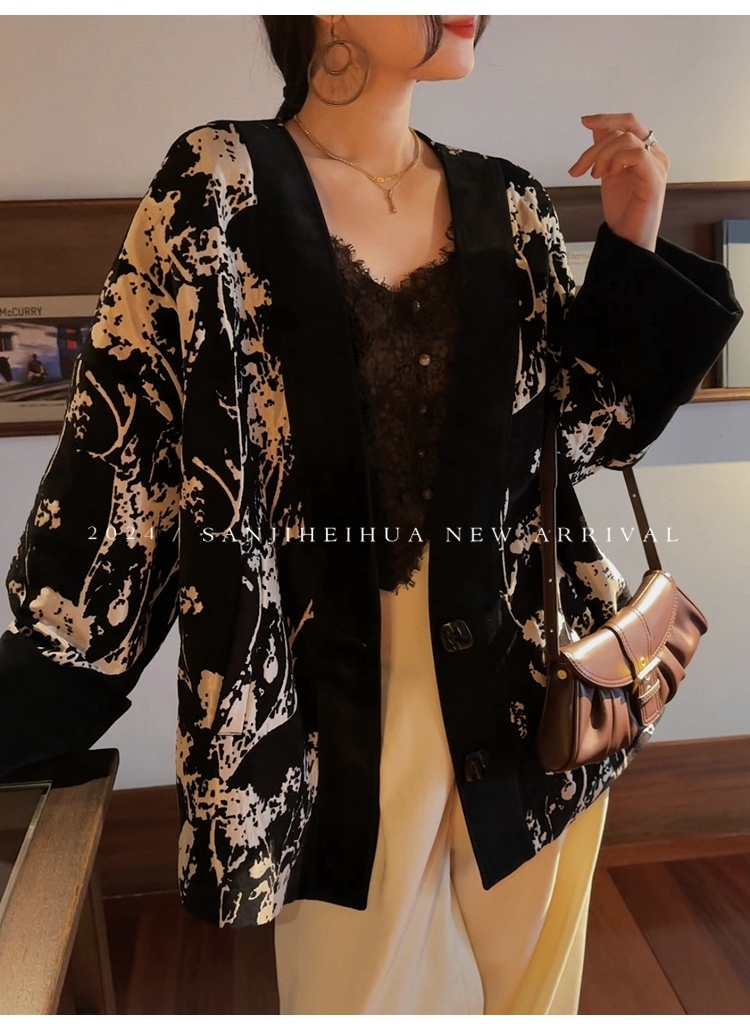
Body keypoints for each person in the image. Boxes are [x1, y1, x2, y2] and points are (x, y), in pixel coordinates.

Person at [0, 14, 741, 1016]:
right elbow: (126, 455)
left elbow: (580, 440)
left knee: (535, 1002)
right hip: (330, 724)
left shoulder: (509, 202)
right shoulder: (215, 191)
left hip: (532, 704)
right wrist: (49, 683)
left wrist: (635, 231)